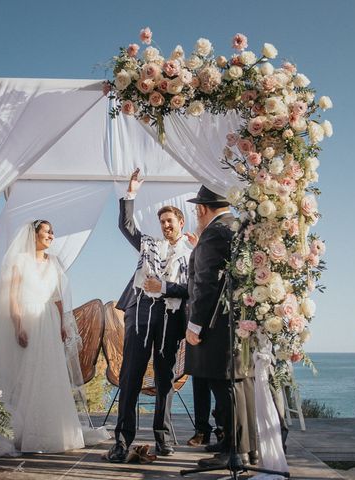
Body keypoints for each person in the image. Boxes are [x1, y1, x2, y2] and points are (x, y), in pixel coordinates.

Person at [105, 168, 194, 463]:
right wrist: (130, 193)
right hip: (141, 311)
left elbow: (192, 289)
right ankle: (121, 441)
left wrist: (166, 286)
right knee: (130, 375)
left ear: (181, 222)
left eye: (170, 221)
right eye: (162, 222)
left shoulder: (192, 253)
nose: (166, 225)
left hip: (172, 319)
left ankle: (164, 439)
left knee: (166, 379)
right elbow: (126, 225)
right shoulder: (149, 245)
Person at [0, 220, 85, 454]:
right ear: (33, 235)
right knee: (25, 375)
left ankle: (51, 430)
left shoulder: (54, 262)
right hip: (28, 319)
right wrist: (18, 326)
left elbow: (57, 297)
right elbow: (12, 297)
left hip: (49, 322)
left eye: (52, 232)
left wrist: (62, 325)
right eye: (47, 232)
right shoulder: (19, 261)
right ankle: (22, 432)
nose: (51, 236)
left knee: (49, 374)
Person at [184, 185, 252, 469]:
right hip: (235, 324)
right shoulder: (237, 226)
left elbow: (206, 283)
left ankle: (234, 452)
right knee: (232, 384)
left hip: (215, 323)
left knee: (222, 385)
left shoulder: (213, 233)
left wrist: (195, 325)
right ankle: (234, 444)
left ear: (202, 208)